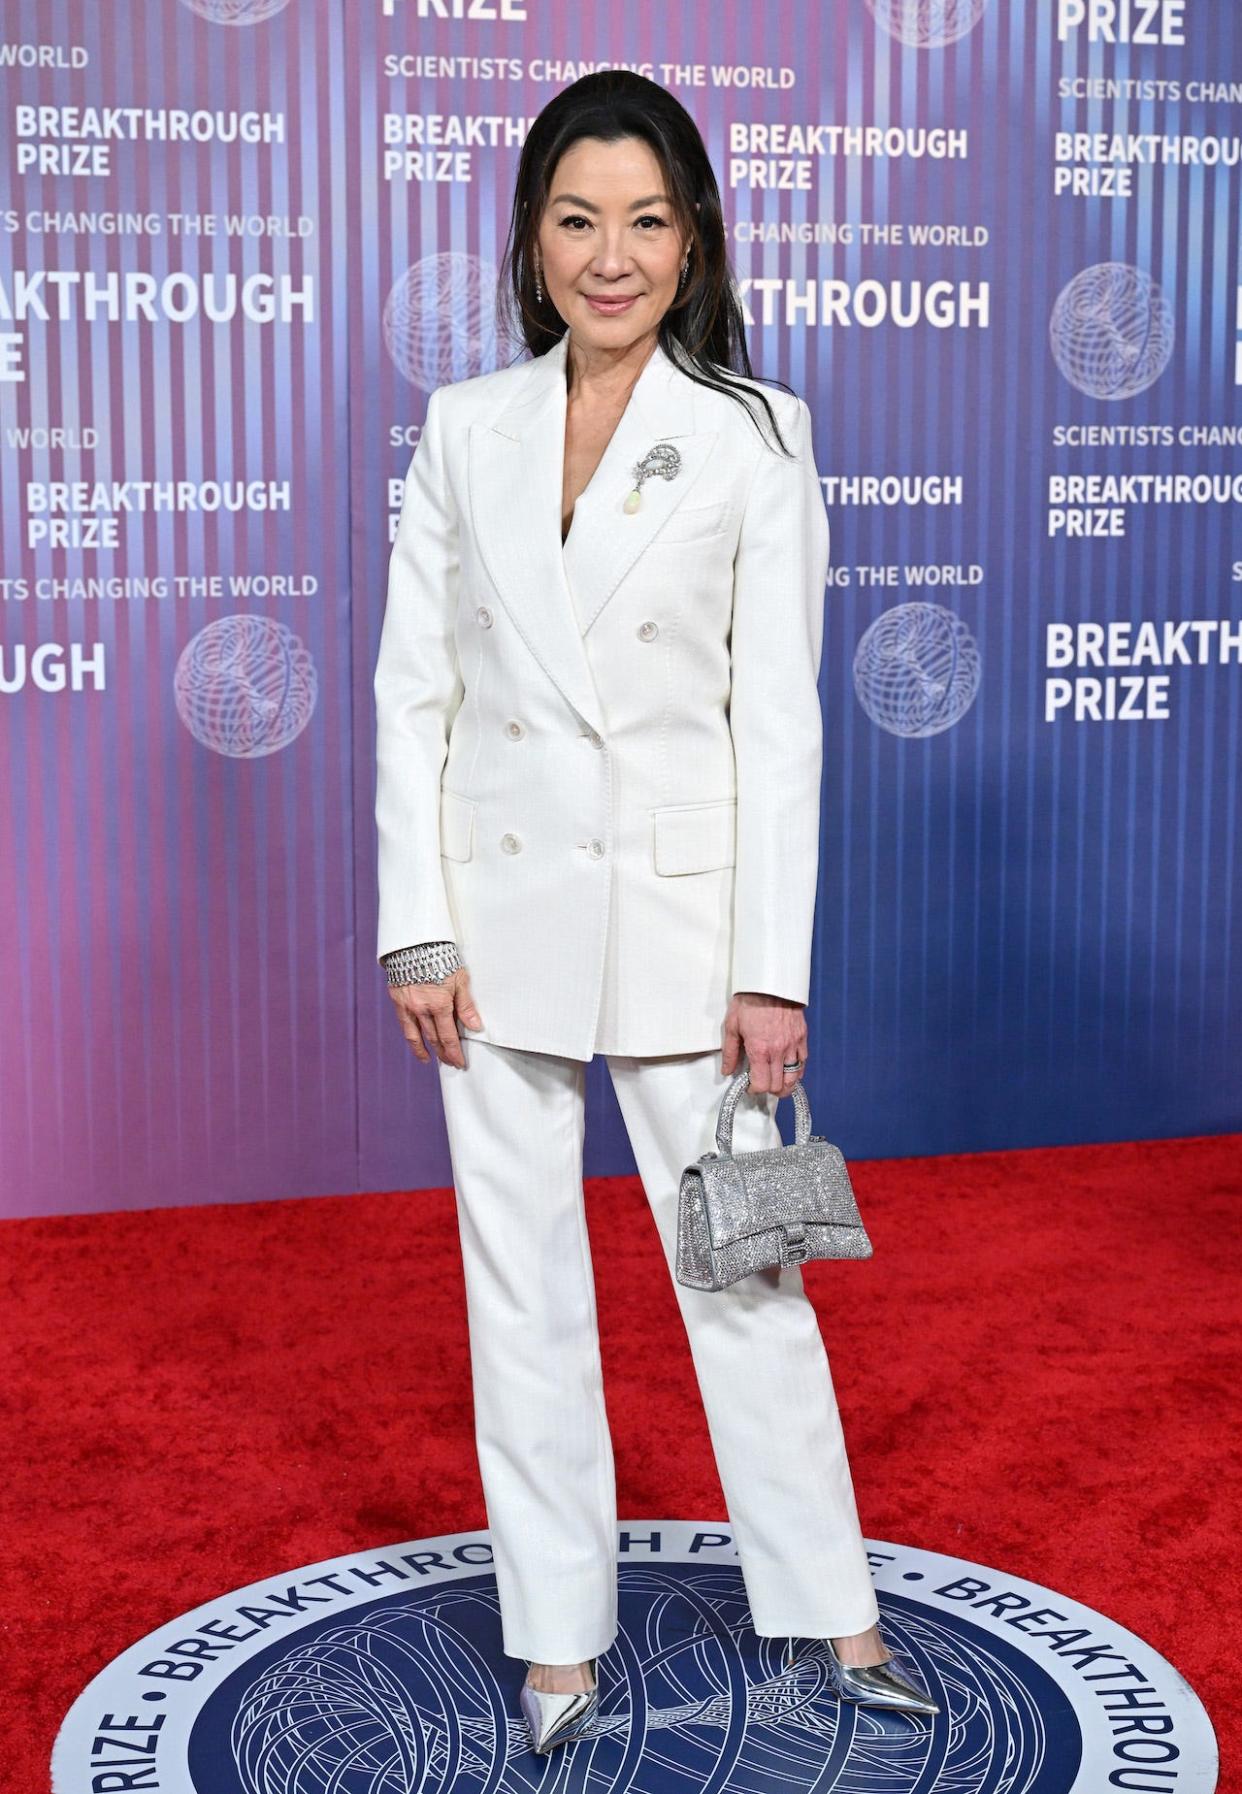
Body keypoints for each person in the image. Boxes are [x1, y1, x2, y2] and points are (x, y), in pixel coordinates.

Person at [373, 70, 939, 1754]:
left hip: (694, 952)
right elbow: (417, 695)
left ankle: (829, 1603)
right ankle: (555, 1635)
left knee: (744, 1276)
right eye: (573, 219)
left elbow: (779, 724)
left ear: (690, 238)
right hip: (492, 929)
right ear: (530, 235)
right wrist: (420, 923)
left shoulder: (760, 437)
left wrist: (772, 972)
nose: (606, 257)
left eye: (642, 221)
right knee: (516, 1286)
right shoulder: (462, 427)